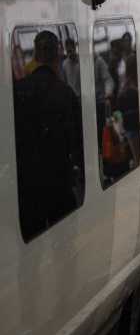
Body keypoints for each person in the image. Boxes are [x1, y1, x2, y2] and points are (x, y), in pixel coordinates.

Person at [14, 30, 85, 242]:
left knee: (30, 258)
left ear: (35, 56)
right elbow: (78, 143)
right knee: (65, 247)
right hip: (59, 185)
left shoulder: (18, 91)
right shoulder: (66, 94)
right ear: (58, 56)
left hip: (27, 189)